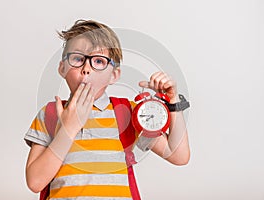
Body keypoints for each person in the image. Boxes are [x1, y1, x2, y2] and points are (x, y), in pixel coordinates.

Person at [24, 19, 190, 199]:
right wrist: (68, 129)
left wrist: (173, 102)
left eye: (98, 61)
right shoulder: (49, 114)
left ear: (114, 75)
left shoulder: (127, 112)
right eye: (78, 59)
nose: (86, 69)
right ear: (62, 68)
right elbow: (35, 182)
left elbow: (178, 156)